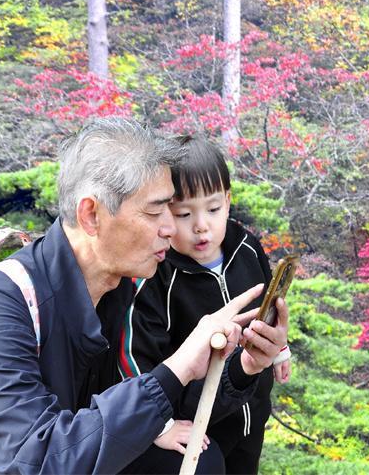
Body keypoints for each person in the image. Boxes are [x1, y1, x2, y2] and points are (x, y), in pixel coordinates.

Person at [0, 118, 289, 474]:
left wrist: (244, 366)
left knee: (198, 461)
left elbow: (168, 411)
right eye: (156, 212)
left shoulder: (122, 288)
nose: (171, 229)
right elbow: (38, 458)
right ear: (91, 215)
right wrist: (176, 368)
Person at [119, 134, 291, 475]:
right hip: (197, 424)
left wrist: (280, 348)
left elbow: (269, 305)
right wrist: (159, 423)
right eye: (184, 214)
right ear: (165, 213)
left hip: (252, 409)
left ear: (227, 201)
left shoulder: (246, 246)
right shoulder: (155, 276)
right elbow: (133, 358)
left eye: (213, 209)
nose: (201, 226)